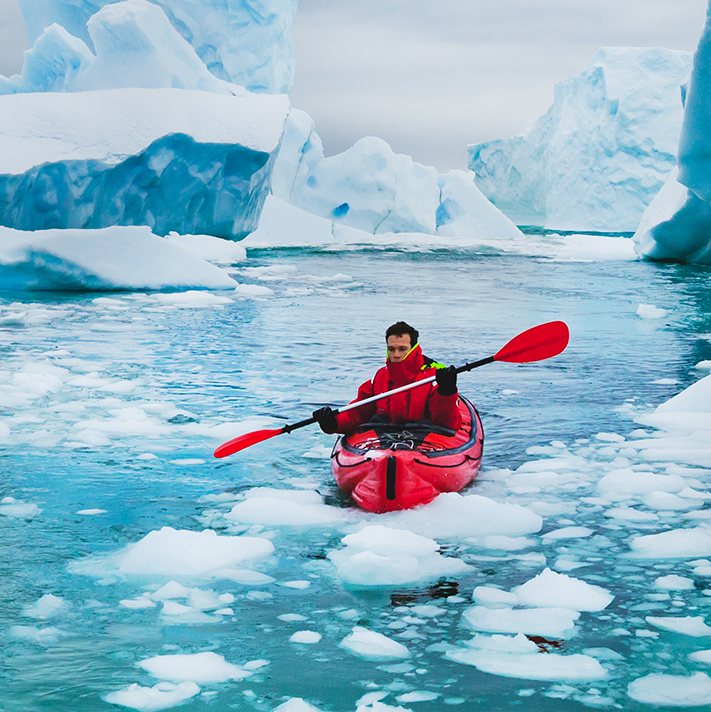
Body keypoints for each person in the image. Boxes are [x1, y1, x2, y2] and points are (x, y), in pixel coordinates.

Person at [313, 321, 461, 435]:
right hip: (385, 440)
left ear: (413, 350)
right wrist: (332, 422)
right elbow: (357, 414)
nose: (396, 354)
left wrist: (447, 392)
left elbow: (446, 424)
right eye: (391, 349)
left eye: (402, 349)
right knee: (376, 420)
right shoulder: (379, 378)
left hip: (424, 438)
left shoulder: (434, 379)